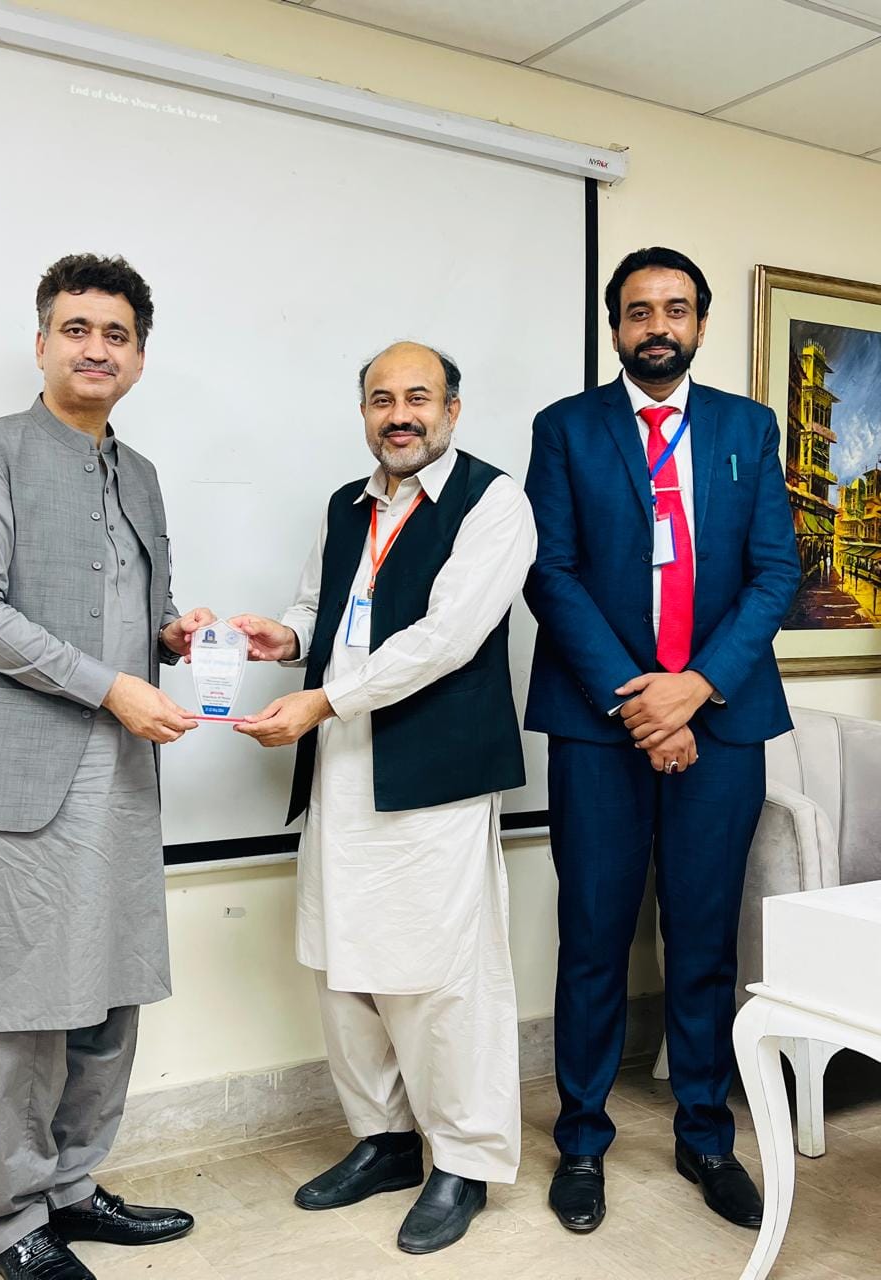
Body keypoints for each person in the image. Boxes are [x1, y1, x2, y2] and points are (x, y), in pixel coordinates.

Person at [0, 254, 213, 1280]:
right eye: (78, 329)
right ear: (43, 341)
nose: (98, 348)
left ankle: (72, 1187)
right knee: (20, 1012)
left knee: (107, 997)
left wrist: (177, 635)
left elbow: (140, 610)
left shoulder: (142, 474)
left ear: (139, 355)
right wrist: (110, 686)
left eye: (117, 334)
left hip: (123, 778)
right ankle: (5, 1221)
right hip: (16, 781)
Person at [230, 342, 536, 1255]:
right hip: (342, 767)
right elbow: (323, 610)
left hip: (432, 775)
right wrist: (284, 640)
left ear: (452, 409)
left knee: (441, 981)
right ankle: (387, 1140)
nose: (399, 415)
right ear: (364, 412)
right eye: (381, 399)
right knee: (344, 966)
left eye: (418, 398)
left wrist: (324, 697)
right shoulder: (347, 504)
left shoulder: (494, 501)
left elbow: (447, 638)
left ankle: (464, 1161)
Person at [524, 247, 800, 1235]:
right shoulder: (565, 428)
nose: (657, 326)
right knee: (594, 936)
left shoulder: (746, 427)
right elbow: (550, 574)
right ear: (615, 327)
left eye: (675, 309)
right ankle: (582, 1141)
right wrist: (641, 706)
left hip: (722, 720)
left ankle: (706, 1135)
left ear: (700, 324)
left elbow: (774, 572)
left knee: (704, 937)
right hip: (598, 726)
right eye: (639, 310)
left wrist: (695, 689)